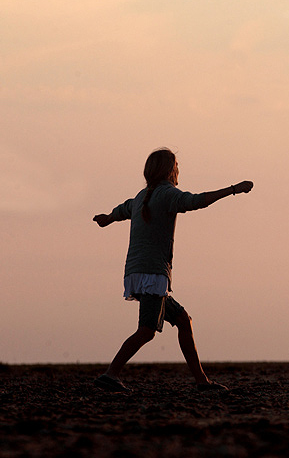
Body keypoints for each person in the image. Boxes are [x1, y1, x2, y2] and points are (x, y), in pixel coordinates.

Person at [92, 148, 253, 392]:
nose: (179, 170)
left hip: (141, 273)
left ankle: (202, 382)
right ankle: (110, 374)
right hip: (152, 275)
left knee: (182, 320)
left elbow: (124, 208)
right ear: (170, 170)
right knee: (146, 331)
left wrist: (107, 218)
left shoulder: (142, 196)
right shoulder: (167, 194)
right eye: (177, 166)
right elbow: (196, 201)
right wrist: (232, 189)